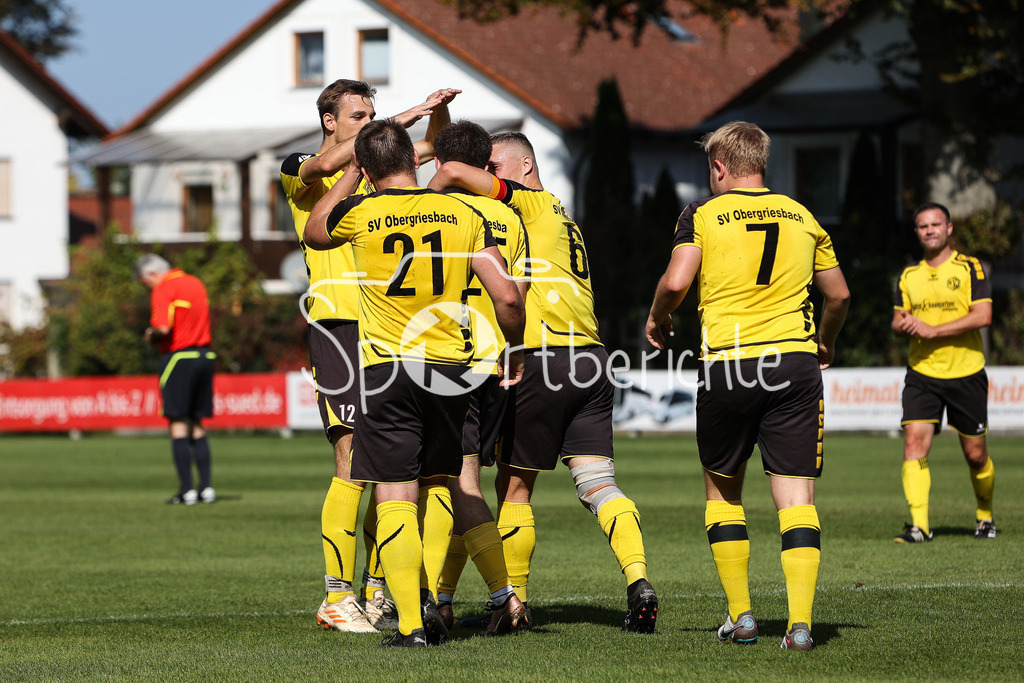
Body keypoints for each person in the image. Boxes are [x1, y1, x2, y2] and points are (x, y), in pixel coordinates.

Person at [303, 119, 526, 647]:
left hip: (388, 370)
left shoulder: (361, 211)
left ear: (368, 168)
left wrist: (351, 175)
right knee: (442, 483)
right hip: (451, 371)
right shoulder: (462, 212)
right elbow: (509, 296)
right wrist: (513, 348)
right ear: (413, 159)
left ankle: (410, 624)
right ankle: (444, 602)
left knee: (394, 491)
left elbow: (315, 230)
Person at [428, 131, 659, 634]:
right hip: (592, 359)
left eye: (495, 164)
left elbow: (452, 171)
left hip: (542, 356)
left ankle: (513, 605)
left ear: (525, 167)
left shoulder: (528, 203)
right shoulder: (563, 217)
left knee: (509, 491)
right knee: (599, 483)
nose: (488, 174)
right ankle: (639, 580)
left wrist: (429, 191)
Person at [645, 121, 850, 651]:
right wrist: (824, 342)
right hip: (795, 364)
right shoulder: (802, 214)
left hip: (731, 364)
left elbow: (675, 281)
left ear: (719, 167)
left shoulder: (703, 214)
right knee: (797, 498)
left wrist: (657, 318)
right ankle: (800, 626)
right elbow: (840, 295)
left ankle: (742, 617)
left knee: (723, 490)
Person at [280, 79, 459, 633]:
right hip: (338, 326)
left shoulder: (378, 165)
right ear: (329, 120)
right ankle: (336, 596)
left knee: (394, 465)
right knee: (353, 460)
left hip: (389, 330)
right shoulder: (301, 166)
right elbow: (330, 165)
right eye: (358, 115)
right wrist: (401, 118)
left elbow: (433, 153)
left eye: (372, 115)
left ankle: (379, 590)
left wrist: (437, 117)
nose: (369, 122)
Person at [428, 121, 531, 635]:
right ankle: (441, 598)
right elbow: (519, 290)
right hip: (495, 360)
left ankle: (500, 596)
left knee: (454, 484)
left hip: (450, 357)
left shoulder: (442, 212)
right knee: (456, 479)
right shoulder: (512, 216)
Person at [892, 202, 995, 542]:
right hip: (922, 373)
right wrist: (903, 325)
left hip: (966, 371)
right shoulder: (908, 276)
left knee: (976, 454)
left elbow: (982, 316)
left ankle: (984, 517)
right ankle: (919, 526)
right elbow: (898, 320)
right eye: (923, 226)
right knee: (913, 445)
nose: (930, 230)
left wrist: (934, 331)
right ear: (917, 232)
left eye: (936, 224)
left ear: (949, 228)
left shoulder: (971, 268)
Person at [136, 254, 218, 506]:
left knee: (178, 423)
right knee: (197, 423)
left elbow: (162, 328)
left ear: (151, 273)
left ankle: (186, 491)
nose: (146, 287)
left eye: (143, 282)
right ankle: (206, 489)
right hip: (205, 355)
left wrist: (149, 335)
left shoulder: (163, 288)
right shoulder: (195, 282)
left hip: (179, 357)